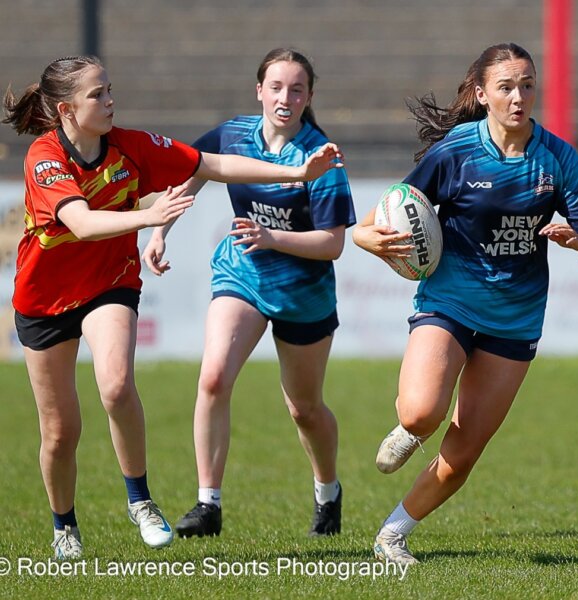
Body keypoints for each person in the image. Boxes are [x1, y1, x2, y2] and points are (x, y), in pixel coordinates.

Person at [3, 55, 343, 560]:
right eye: (97, 95)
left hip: (109, 284)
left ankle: (141, 501)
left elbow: (213, 165)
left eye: (109, 89)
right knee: (59, 432)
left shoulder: (133, 145)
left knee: (117, 387)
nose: (110, 100)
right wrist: (150, 219)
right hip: (44, 300)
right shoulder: (45, 157)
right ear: (65, 109)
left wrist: (295, 173)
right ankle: (64, 528)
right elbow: (81, 223)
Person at [352, 42, 578, 565]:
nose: (519, 97)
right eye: (506, 86)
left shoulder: (558, 158)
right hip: (449, 301)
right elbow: (384, 215)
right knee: (423, 413)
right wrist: (368, 241)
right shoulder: (455, 151)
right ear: (482, 93)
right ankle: (410, 427)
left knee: (463, 453)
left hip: (515, 318)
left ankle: (392, 534)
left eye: (527, 85)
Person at [142, 48, 355, 539]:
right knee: (214, 377)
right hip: (242, 272)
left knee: (304, 409)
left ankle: (328, 491)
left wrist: (272, 236)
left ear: (309, 97)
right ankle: (208, 504)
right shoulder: (233, 134)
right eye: (276, 87)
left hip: (304, 293)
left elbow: (332, 245)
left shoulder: (322, 157)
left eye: (296, 89)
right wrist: (160, 233)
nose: (285, 97)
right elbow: (193, 173)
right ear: (259, 90)